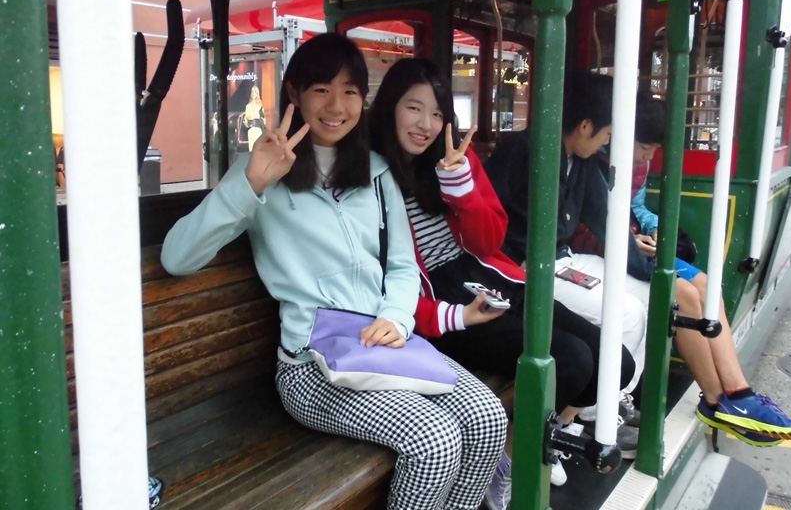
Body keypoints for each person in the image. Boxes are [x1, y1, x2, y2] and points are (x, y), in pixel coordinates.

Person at [161, 33, 507, 510]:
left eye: (350, 91)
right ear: (294, 93)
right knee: (434, 440)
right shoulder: (261, 170)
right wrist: (250, 184)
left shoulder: (377, 173)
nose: (336, 106)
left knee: (488, 418)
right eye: (321, 89)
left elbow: (402, 265)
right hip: (311, 368)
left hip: (385, 344)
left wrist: (396, 318)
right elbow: (177, 257)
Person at [368, 58, 636, 506]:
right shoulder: (371, 173)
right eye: (414, 108)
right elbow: (384, 277)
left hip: (488, 278)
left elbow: (489, 239)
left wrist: (460, 187)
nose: (426, 125)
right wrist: (452, 315)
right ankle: (513, 455)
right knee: (571, 359)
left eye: (437, 113)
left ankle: (524, 443)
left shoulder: (453, 158)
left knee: (616, 363)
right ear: (390, 106)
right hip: (435, 305)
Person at [486, 71, 791, 447]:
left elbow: (609, 224)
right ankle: (588, 414)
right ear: (585, 126)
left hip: (564, 260)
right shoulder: (522, 151)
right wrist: (507, 265)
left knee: (666, 294)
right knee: (629, 313)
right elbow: (488, 221)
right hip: (525, 271)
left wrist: (653, 271)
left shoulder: (580, 161)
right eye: (607, 133)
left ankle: (636, 404)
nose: (609, 141)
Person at [244, 84, 267, 151]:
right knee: (251, 149)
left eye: (255, 92)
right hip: (251, 130)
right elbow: (246, 119)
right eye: (252, 92)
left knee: (258, 149)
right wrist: (247, 124)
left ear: (257, 94)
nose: (253, 93)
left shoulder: (260, 105)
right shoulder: (247, 106)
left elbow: (264, 119)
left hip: (258, 130)